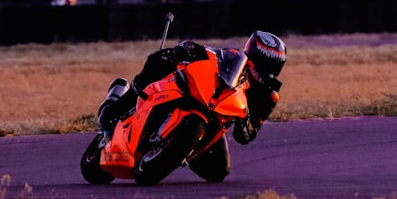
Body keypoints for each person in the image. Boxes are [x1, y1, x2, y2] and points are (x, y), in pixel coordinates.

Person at [97, 30, 285, 149]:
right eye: (263, 62)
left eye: (273, 66)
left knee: (219, 172)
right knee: (161, 60)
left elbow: (245, 137)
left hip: (213, 127)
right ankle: (115, 108)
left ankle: (180, 149)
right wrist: (190, 48)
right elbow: (211, 53)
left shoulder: (268, 97)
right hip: (197, 98)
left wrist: (244, 120)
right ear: (251, 54)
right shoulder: (233, 58)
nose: (267, 70)